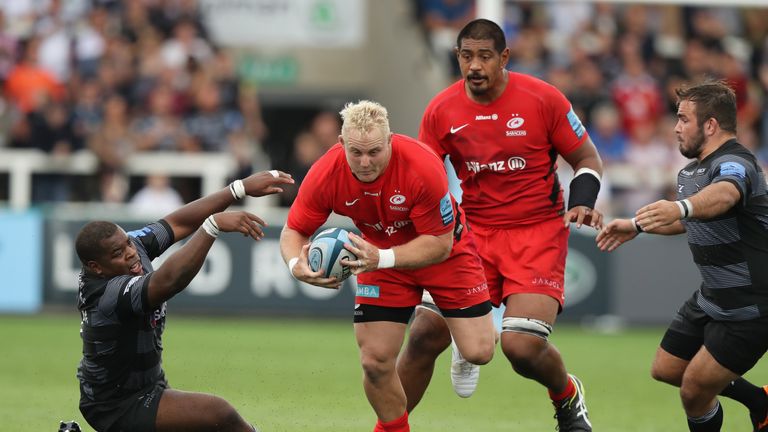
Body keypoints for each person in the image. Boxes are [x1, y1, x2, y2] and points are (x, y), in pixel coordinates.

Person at [399, 19, 604, 431]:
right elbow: (423, 177)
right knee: (423, 334)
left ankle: (566, 395)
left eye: (484, 56)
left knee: (522, 347)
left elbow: (587, 160)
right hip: (470, 234)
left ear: (504, 57)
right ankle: (391, 426)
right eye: (466, 56)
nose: (474, 66)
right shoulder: (441, 110)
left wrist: (582, 202)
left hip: (537, 232)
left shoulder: (543, 99)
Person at [279, 100, 496, 432]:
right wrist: (296, 264)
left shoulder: (423, 165)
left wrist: (382, 258)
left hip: (442, 251)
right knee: (375, 361)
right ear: (341, 145)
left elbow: (440, 244)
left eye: (374, 152)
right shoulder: (326, 172)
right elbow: (293, 230)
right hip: (377, 255)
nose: (365, 162)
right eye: (356, 153)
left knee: (479, 351)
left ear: (391, 141)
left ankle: (450, 326)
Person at [597, 81, 768, 432]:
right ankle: (760, 402)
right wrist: (637, 226)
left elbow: (723, 196)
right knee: (667, 369)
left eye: (683, 119)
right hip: (711, 297)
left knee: (693, 390)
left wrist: (680, 207)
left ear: (710, 125)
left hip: (750, 305)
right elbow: (693, 219)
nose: (675, 128)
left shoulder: (737, 162)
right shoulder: (690, 172)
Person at [75, 169, 294, 432]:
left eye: (128, 244)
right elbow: (168, 282)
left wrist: (238, 188)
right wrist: (212, 226)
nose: (131, 253)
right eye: (118, 253)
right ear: (95, 267)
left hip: (145, 385)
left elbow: (176, 223)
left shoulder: (131, 247)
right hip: (117, 404)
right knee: (219, 414)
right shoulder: (106, 294)